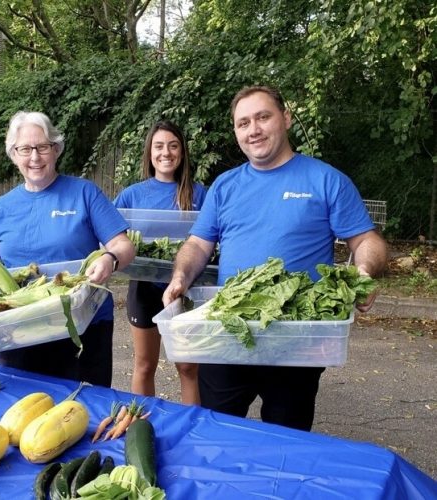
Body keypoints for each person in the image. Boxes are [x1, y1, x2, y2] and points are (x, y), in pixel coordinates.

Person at [163, 85, 388, 430]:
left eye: (263, 117)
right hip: (229, 331)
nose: (253, 130)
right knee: (218, 429)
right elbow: (198, 244)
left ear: (285, 118)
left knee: (287, 435)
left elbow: (366, 240)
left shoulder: (326, 180)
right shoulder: (225, 185)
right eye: (243, 123)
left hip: (296, 337)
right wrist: (180, 277)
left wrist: (364, 271)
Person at [0, 111, 136, 386]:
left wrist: (110, 258)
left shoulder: (84, 193)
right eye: (25, 149)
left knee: (86, 411)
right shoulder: (1, 209)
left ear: (55, 149)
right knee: (26, 410)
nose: (34, 157)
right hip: (18, 330)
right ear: (13, 154)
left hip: (81, 324)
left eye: (42, 147)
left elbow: (123, 245)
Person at [114, 120, 207, 404]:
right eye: (159, 146)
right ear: (149, 152)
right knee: (144, 365)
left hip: (187, 290)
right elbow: (109, 234)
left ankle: (193, 429)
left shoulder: (199, 193)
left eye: (173, 145)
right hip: (144, 288)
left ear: (182, 152)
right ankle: (141, 425)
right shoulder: (132, 195)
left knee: (188, 367)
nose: (166, 153)